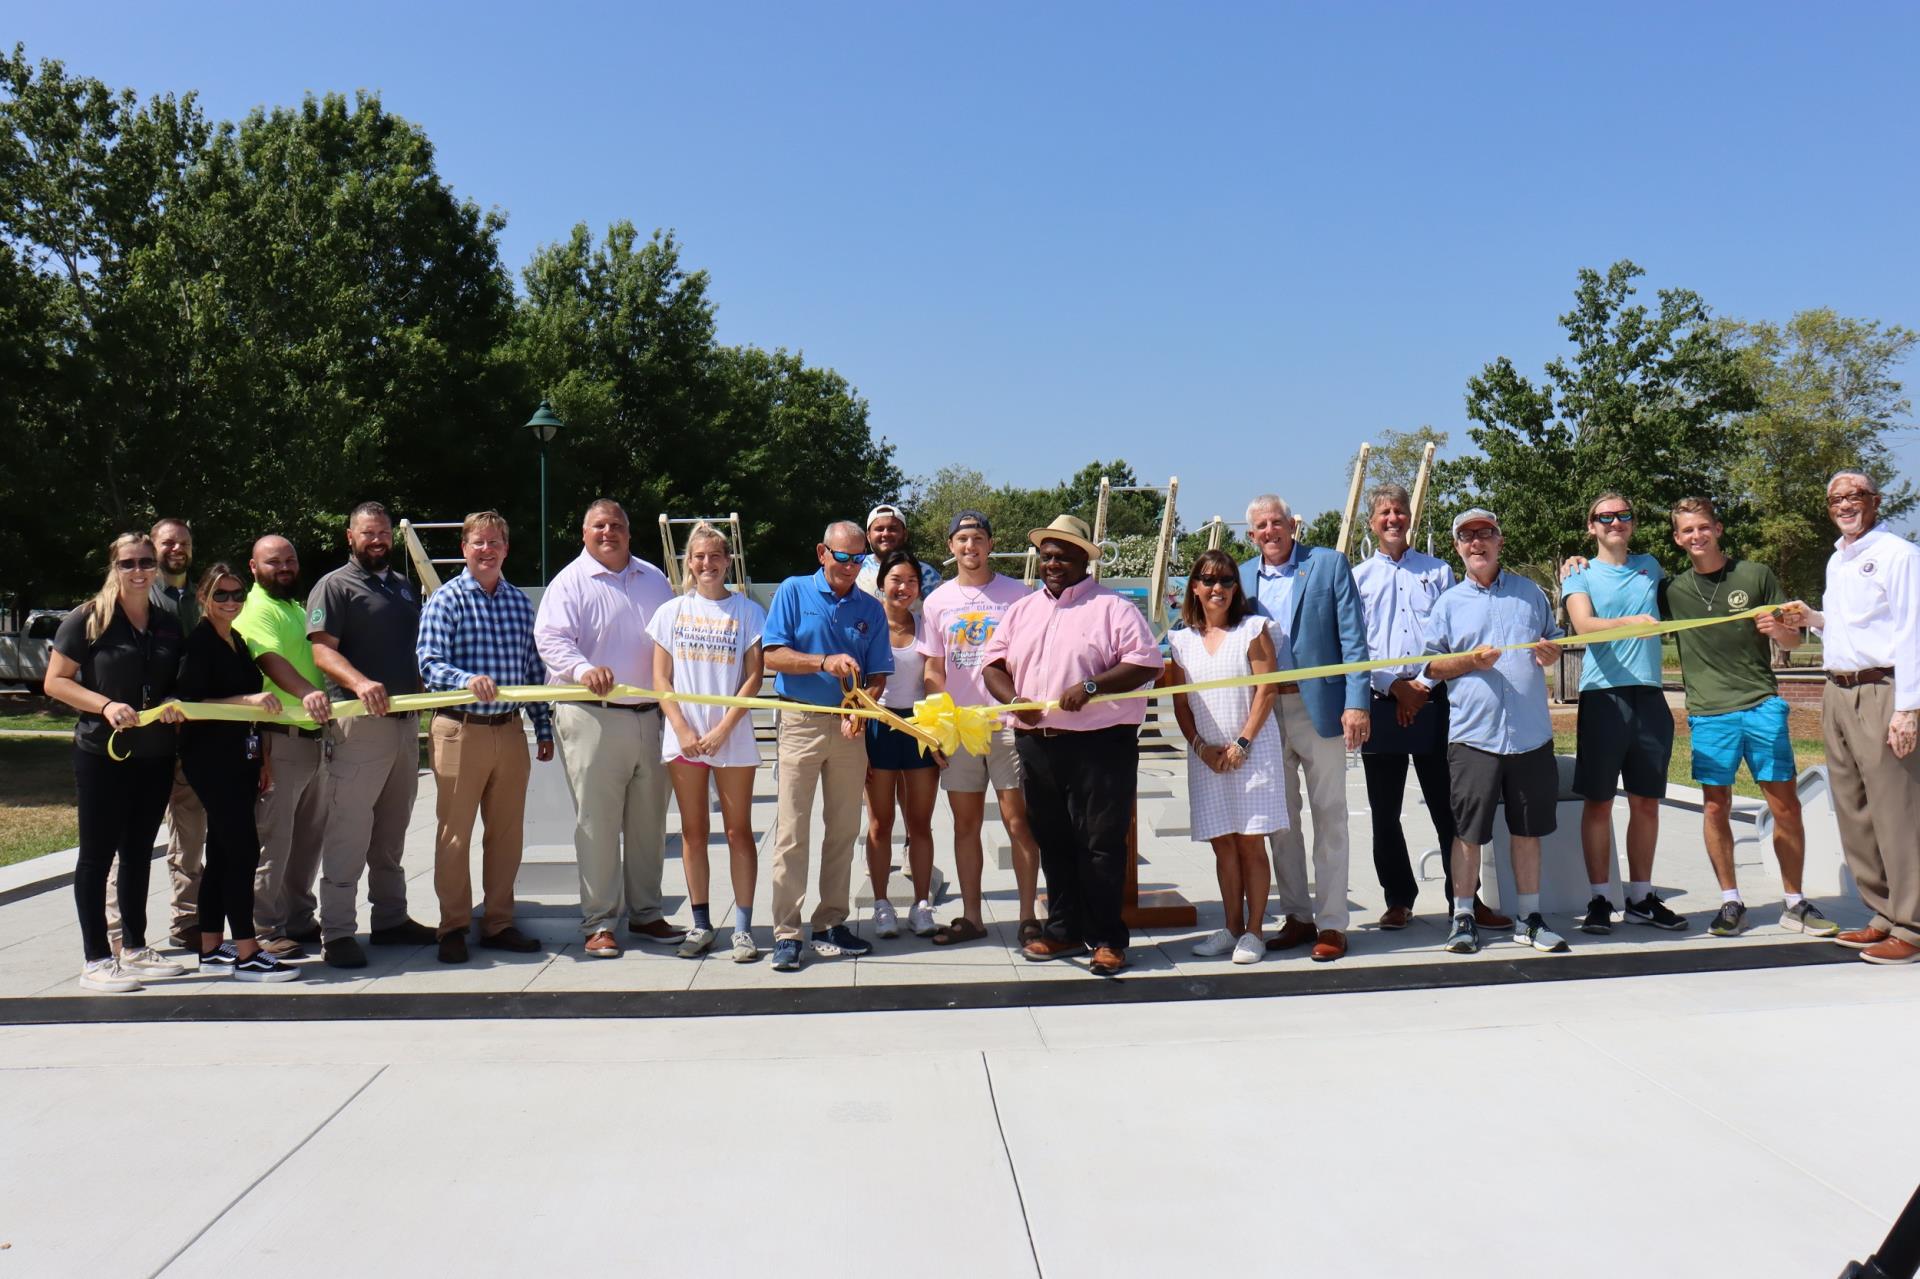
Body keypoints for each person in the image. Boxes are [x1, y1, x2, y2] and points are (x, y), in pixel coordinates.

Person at [982, 514, 1164, 978]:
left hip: (1101, 745)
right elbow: (992, 665)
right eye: (1046, 555)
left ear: (1086, 559)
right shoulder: (1023, 610)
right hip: (1038, 743)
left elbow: (1145, 663)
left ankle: (1106, 938)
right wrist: (1014, 700)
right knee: (1054, 840)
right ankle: (1063, 928)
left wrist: (1092, 686)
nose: (1052, 562)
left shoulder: (1114, 607)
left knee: (1101, 843)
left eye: (1063, 554)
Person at [1657, 497, 1830, 937]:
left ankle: (1795, 902)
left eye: (1703, 527)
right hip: (1710, 713)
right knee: (1716, 806)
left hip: (1760, 705)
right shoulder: (1671, 589)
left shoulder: (1756, 574)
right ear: (1678, 539)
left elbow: (1791, 641)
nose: (1696, 536)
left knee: (1785, 805)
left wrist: (1783, 631)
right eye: (1687, 531)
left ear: (1717, 528)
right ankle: (1731, 901)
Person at [1353, 484, 1512, 934]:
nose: (1393, 519)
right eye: (1384, 512)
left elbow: (1450, 635)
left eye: (1400, 511)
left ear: (1410, 518)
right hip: (1382, 703)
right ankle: (1398, 899)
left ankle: (1464, 899)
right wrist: (1394, 687)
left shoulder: (1439, 572)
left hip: (1433, 700)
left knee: (1450, 808)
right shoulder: (1358, 577)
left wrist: (1420, 686)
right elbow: (1355, 645)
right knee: (1384, 812)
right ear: (1372, 522)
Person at [535, 499, 686, 959]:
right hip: (592, 715)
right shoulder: (569, 582)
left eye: (617, 525)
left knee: (649, 823)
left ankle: (646, 913)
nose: (608, 532)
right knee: (597, 824)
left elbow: (674, 638)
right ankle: (599, 922)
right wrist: (582, 670)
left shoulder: (655, 579)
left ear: (628, 532)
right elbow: (550, 639)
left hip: (650, 717)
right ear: (584, 533)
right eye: (599, 526)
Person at [1779, 470, 1920, 964]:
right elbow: (1848, 627)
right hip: (1837, 689)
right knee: (1854, 809)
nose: (1845, 505)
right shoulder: (1839, 559)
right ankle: (1882, 914)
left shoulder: (1898, 555)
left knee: (1896, 811)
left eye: (1855, 496)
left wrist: (1907, 707)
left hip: (1882, 690)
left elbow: (1911, 631)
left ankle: (1913, 925)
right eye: (1836, 499)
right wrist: (1811, 621)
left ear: (1875, 501)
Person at [1420, 508, 1570, 957]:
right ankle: (1463, 916)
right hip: (1473, 737)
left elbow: (1553, 640)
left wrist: (1551, 653)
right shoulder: (1448, 603)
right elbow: (1429, 665)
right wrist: (1468, 661)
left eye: (1485, 533)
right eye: (1467, 536)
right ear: (1458, 548)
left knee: (1528, 831)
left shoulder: (1530, 593)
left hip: (1529, 737)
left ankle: (1529, 917)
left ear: (1500, 541)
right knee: (1467, 832)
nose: (1477, 542)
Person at [43, 532, 188, 992]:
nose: (140, 570)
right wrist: (104, 705)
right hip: (102, 753)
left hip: (155, 754)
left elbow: (178, 680)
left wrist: (174, 701)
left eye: (147, 562)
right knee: (97, 856)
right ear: (114, 567)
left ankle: (136, 944)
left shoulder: (167, 622)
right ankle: (96, 958)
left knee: (139, 853)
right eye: (129, 563)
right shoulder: (88, 618)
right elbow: (56, 682)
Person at [416, 511, 554, 964]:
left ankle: (498, 922)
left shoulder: (518, 603)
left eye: (495, 541)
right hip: (460, 729)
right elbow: (429, 663)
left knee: (507, 834)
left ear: (506, 549)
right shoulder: (446, 600)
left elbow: (533, 672)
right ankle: (453, 926)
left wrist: (544, 726)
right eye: (478, 542)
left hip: (510, 731)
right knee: (454, 834)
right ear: (464, 548)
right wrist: (465, 678)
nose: (486, 549)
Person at [307, 501, 438, 968]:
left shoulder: (404, 588)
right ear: (350, 537)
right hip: (358, 726)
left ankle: (390, 919)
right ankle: (338, 932)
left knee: (391, 832)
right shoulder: (334, 586)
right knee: (348, 830)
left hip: (404, 728)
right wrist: (360, 683)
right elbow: (322, 652)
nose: (377, 540)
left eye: (383, 532)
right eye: (368, 533)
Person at [1239, 494, 1369, 962]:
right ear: (1250, 534)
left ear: (1293, 525)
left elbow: (1354, 637)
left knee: (1330, 814)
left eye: (1277, 522)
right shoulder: (1241, 576)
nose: (1270, 531)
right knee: (1281, 818)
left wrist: (1357, 703)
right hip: (1267, 711)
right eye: (1260, 526)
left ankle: (1332, 923)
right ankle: (1296, 915)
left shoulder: (1329, 564)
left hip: (1323, 707)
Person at [761, 521, 893, 972]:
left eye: (860, 559)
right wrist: (822, 661)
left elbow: (878, 675)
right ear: (823, 553)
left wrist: (863, 707)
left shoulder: (871, 609)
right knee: (792, 832)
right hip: (799, 720)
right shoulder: (794, 591)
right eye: (843, 557)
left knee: (842, 830)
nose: (851, 567)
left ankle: (831, 922)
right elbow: (771, 655)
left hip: (849, 728)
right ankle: (786, 932)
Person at [1559, 492, 1684, 935]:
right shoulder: (1579, 573)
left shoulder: (1651, 566)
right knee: (1599, 802)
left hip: (1649, 697)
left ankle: (1640, 897)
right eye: (1605, 517)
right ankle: (1599, 898)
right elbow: (1584, 626)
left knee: (1646, 802)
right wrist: (1634, 623)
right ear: (1591, 526)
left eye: (1623, 515)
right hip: (1603, 697)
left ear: (1632, 523)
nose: (1615, 522)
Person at [918, 510, 1043, 944]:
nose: (970, 547)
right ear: (950, 548)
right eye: (962, 540)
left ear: (991, 544)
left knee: (1018, 822)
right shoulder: (937, 602)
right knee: (964, 825)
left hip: (1008, 722)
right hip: (961, 727)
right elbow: (933, 666)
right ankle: (972, 917)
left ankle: (1029, 916)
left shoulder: (1021, 594)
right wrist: (938, 721)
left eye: (977, 538)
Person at [647, 522, 767, 963]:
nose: (707, 564)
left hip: (730, 740)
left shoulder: (748, 612)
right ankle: (700, 924)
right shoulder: (670, 612)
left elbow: (753, 676)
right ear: (689, 563)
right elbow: (661, 678)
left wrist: (723, 730)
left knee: (739, 833)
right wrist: (681, 728)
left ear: (727, 561)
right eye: (699, 557)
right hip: (686, 741)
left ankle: (742, 928)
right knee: (694, 833)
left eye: (715, 556)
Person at [174, 564, 299, 981]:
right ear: (204, 598)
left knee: (225, 851)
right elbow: (191, 701)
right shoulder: (200, 643)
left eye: (237, 594)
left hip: (242, 757)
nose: (230, 601)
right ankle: (247, 951)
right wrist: (247, 699)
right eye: (221, 594)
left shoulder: (237, 640)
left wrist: (262, 759)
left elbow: (253, 708)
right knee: (243, 850)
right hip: (210, 759)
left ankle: (212, 946)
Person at [1165, 548, 1284, 965]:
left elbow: (1266, 690)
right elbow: (1180, 705)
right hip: (1207, 757)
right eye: (1209, 580)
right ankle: (1231, 926)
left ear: (1237, 587)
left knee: (1251, 843)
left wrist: (1243, 743)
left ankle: (1254, 932)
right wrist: (1201, 747)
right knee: (1223, 845)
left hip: (1251, 752)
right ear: (1194, 587)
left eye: (1227, 581)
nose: (1218, 588)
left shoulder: (1253, 629)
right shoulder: (1179, 640)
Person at [232, 535, 334, 958]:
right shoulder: (254, 610)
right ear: (253, 568)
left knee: (307, 840)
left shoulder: (295, 607)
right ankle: (264, 927)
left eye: (290, 559)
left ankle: (298, 918)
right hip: (280, 740)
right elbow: (268, 660)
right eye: (274, 562)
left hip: (314, 740)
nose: (285, 567)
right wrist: (309, 692)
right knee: (274, 840)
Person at [863, 550, 945, 940]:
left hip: (917, 727)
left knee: (919, 824)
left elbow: (933, 675)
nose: (903, 587)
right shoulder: (866, 621)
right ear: (882, 583)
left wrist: (936, 731)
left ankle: (921, 905)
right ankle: (881, 904)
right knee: (880, 824)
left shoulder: (926, 623)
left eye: (911, 581)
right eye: (896, 579)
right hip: (877, 728)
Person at [143, 516, 208, 950]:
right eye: (167, 543)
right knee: (132, 837)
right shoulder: (141, 596)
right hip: (148, 738)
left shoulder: (200, 599)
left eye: (182, 542)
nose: (176, 550)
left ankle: (187, 920)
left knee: (190, 835)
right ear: (153, 546)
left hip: (195, 736)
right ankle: (119, 934)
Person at [855, 503, 942, 601]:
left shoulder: (927, 574)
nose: (886, 534)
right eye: (879, 529)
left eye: (892, 529)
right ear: (868, 536)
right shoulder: (854, 567)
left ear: (905, 534)